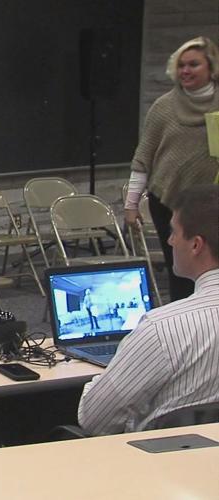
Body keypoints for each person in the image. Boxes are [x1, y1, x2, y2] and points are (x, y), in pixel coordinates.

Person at [78, 184, 219, 435]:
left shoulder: (162, 329)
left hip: (167, 458)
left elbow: (94, 419)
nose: (170, 241)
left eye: (173, 232)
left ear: (196, 245)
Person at [124, 36, 219, 302]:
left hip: (213, 202)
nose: (185, 70)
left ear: (211, 67)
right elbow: (143, 157)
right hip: (169, 201)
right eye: (181, 65)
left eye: (193, 64)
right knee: (182, 271)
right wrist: (131, 205)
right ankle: (180, 319)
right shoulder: (163, 107)